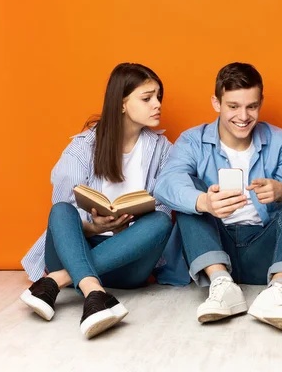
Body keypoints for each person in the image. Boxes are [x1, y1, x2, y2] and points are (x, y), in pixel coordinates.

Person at [154, 62, 282, 333]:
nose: (243, 116)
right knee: (190, 194)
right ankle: (221, 284)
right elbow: (166, 184)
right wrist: (204, 201)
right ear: (216, 103)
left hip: (266, 252)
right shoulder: (193, 140)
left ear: (260, 103)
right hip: (213, 249)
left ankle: (279, 293)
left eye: (252, 106)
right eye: (233, 106)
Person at [20, 63, 173, 339]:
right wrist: (94, 228)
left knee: (162, 220)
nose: (157, 104)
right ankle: (94, 293)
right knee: (62, 209)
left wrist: (126, 231)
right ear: (122, 103)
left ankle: (56, 281)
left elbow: (162, 208)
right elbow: (62, 218)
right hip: (75, 249)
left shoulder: (163, 150)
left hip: (127, 264)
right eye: (147, 98)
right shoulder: (83, 145)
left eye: (159, 97)